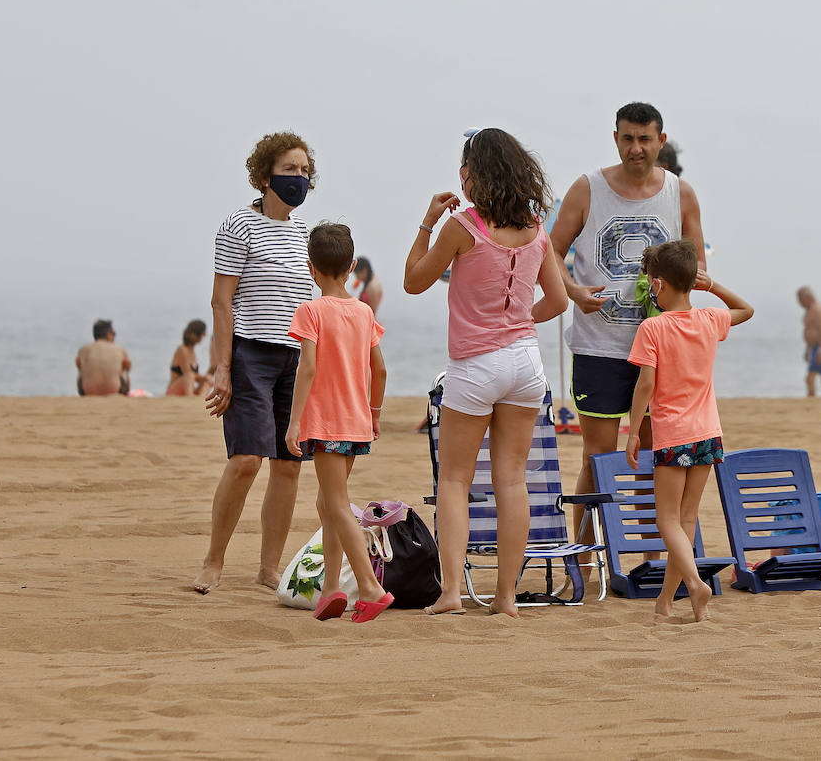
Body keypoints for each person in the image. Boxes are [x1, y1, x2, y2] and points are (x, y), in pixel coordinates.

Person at [405, 127, 568, 618]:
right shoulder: (537, 229)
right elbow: (558, 301)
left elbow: (414, 282)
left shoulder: (463, 226)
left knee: (454, 479)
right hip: (525, 363)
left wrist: (426, 225)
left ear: (473, 175)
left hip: (475, 364)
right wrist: (518, 323)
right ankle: (504, 600)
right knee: (512, 481)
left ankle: (452, 592)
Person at [547, 102, 707, 550]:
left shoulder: (682, 194)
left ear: (661, 139)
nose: (636, 148)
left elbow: (695, 269)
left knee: (658, 459)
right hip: (599, 347)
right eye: (627, 138)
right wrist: (575, 292)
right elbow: (551, 252)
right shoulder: (587, 189)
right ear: (615, 138)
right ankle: (585, 558)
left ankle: (647, 555)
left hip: (663, 353)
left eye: (644, 139)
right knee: (597, 459)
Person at [193, 132, 316, 595]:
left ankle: (269, 568)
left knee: (289, 464)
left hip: (297, 360)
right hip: (251, 355)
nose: (298, 178)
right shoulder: (239, 227)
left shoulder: (306, 234)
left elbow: (312, 301)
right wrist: (222, 368)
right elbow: (221, 303)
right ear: (265, 176)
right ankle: (213, 561)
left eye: (304, 171)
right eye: (290, 169)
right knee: (246, 459)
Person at [625, 240, 753, 621]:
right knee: (686, 519)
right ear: (691, 282)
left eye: (651, 282)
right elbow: (746, 309)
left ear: (660, 284)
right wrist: (710, 285)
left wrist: (633, 431)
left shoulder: (653, 328)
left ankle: (695, 585)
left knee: (666, 519)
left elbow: (645, 386)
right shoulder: (710, 319)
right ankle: (666, 601)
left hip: (673, 434)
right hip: (708, 434)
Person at [284, 222, 392, 623]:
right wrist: (375, 414)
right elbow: (379, 371)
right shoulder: (363, 312)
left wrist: (294, 422)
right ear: (350, 267)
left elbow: (307, 368)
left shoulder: (311, 310)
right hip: (356, 422)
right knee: (326, 501)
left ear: (311, 268)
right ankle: (331, 588)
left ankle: (369, 586)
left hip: (326, 424)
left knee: (336, 503)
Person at [76, 319, 131, 395]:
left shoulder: (83, 350)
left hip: (88, 392)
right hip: (115, 391)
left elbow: (78, 365)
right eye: (114, 333)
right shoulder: (120, 350)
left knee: (82, 370)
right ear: (109, 334)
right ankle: (124, 394)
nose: (114, 337)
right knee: (124, 370)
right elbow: (128, 367)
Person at [166, 320, 212, 397]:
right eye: (203, 334)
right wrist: (204, 377)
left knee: (209, 379)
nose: (203, 337)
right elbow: (188, 373)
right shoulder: (181, 350)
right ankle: (191, 398)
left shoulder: (193, 352)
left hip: (188, 389)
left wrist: (206, 378)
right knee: (190, 375)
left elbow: (196, 376)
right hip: (175, 390)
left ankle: (200, 399)